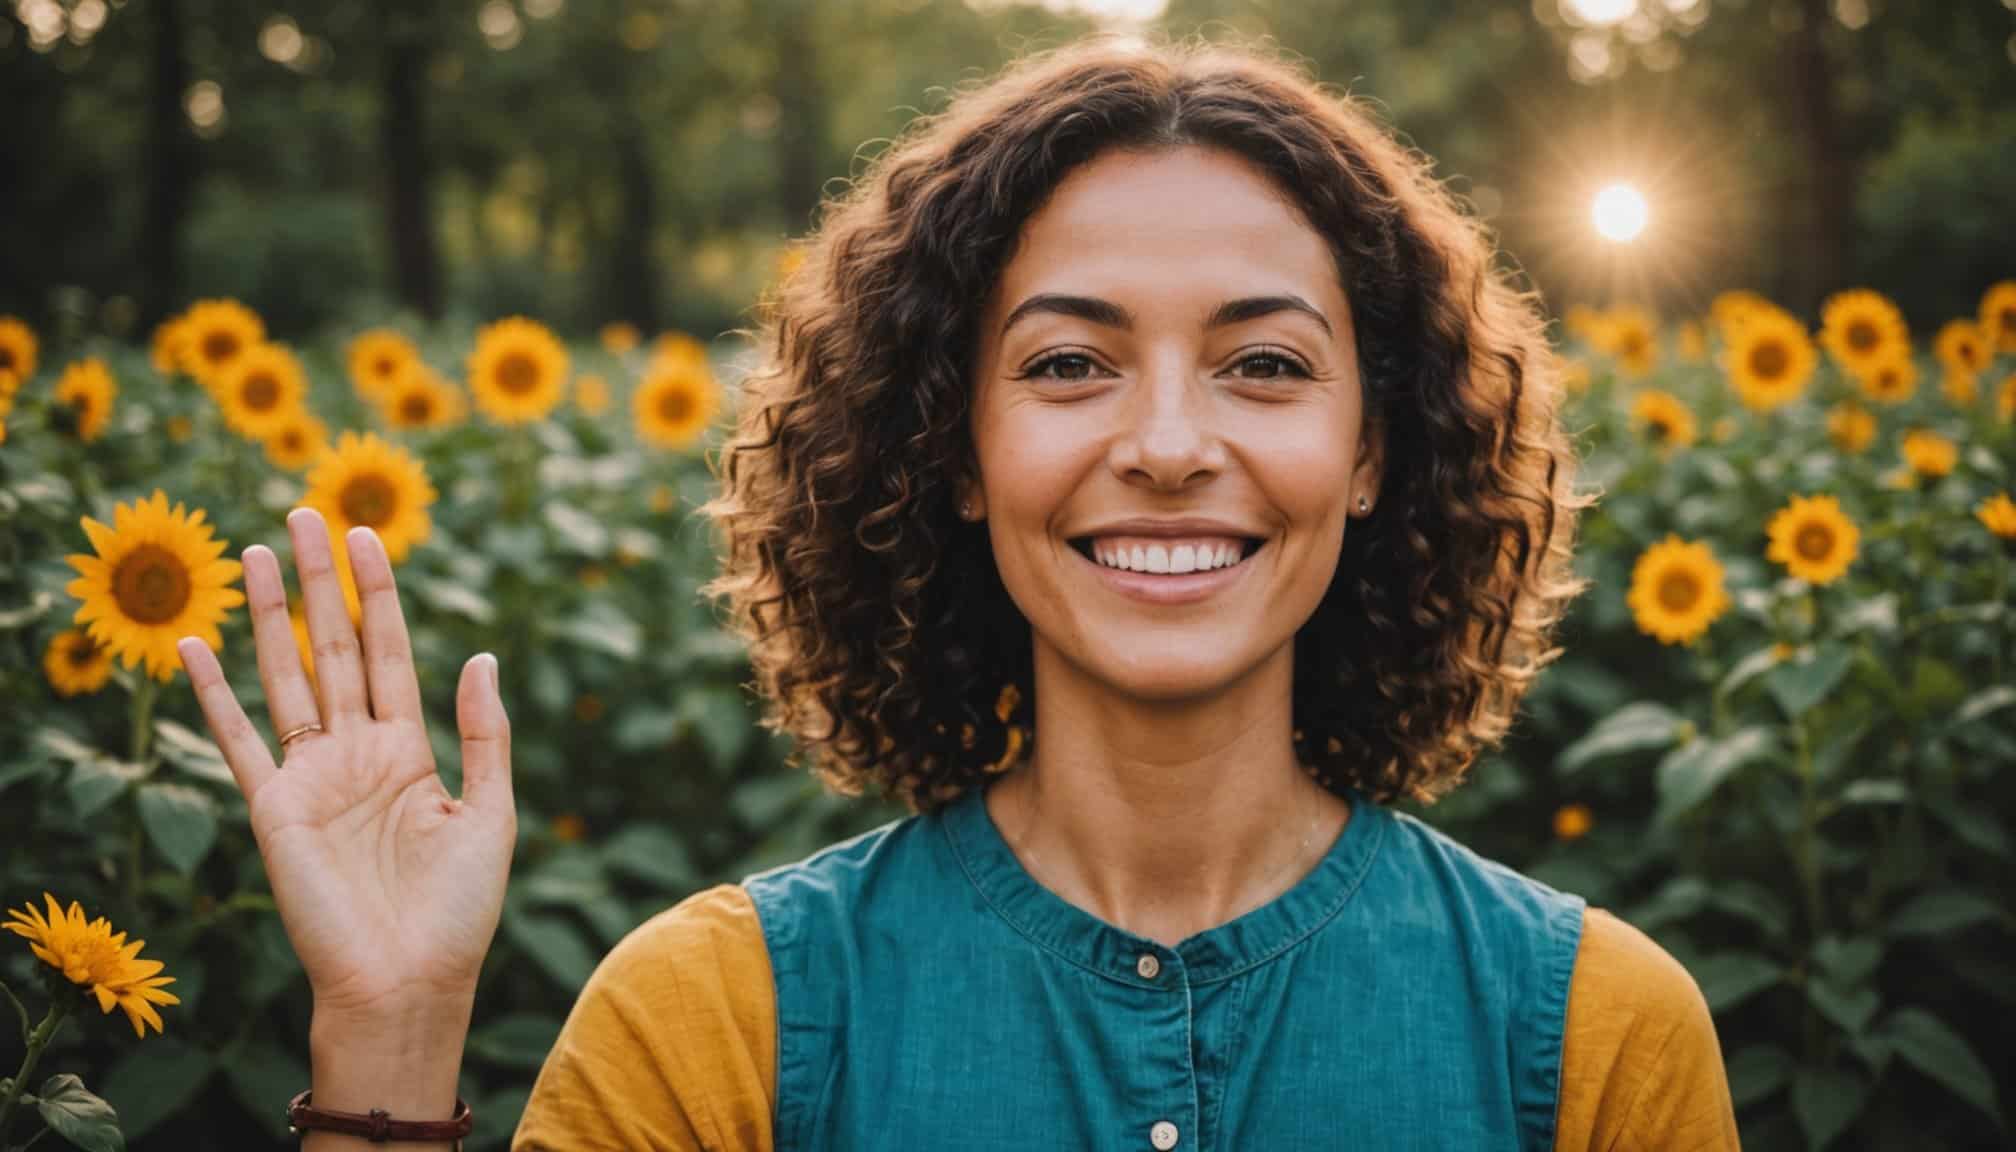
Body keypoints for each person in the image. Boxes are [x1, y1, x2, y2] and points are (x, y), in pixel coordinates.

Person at [176, 34, 1740, 1152]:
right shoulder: (717, 1021)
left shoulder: (1594, 1038)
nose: (1173, 445)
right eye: (1070, 365)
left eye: (1266, 365)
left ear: (1376, 451)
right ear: (959, 450)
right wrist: (387, 1043)